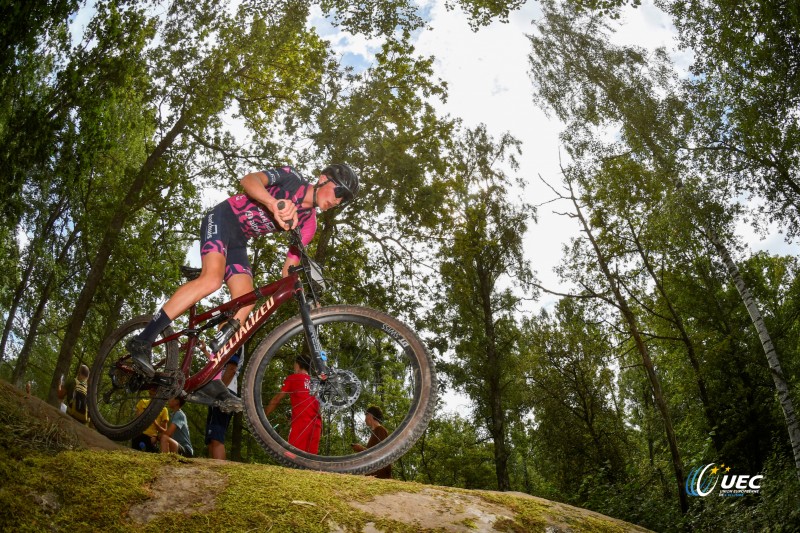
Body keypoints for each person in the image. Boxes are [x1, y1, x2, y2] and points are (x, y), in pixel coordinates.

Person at [124, 163, 360, 402]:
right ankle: (143, 339)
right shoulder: (292, 178)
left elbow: (289, 268)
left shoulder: (309, 223)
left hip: (239, 240)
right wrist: (272, 203)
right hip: (223, 218)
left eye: (344, 201)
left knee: (247, 300)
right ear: (322, 179)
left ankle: (211, 377)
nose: (338, 202)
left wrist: (308, 296)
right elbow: (249, 180)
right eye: (339, 192)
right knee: (212, 279)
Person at [264, 356, 322, 454]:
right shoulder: (315, 382)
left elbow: (277, 398)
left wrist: (262, 417)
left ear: (298, 365)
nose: (294, 368)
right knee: (311, 460)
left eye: (294, 365)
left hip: (301, 422)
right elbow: (319, 405)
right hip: (317, 424)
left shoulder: (293, 378)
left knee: (293, 456)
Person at [205, 347, 242, 460]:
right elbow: (216, 362)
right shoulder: (225, 339)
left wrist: (221, 392)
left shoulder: (235, 336)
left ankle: (219, 473)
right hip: (219, 391)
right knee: (211, 438)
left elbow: (231, 368)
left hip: (224, 391)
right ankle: (213, 473)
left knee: (216, 436)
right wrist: (204, 351)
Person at [351, 405, 392, 479]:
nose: (365, 420)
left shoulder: (380, 430)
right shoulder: (376, 432)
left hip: (380, 476)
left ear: (370, 415)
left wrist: (360, 449)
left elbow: (380, 454)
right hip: (376, 475)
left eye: (365, 416)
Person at [132, 388, 170, 453]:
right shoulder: (142, 402)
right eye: (151, 388)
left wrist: (157, 437)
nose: (152, 390)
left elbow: (164, 430)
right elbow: (137, 419)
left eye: (155, 389)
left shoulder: (164, 409)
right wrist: (143, 414)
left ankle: (153, 450)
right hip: (138, 434)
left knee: (147, 446)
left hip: (151, 437)